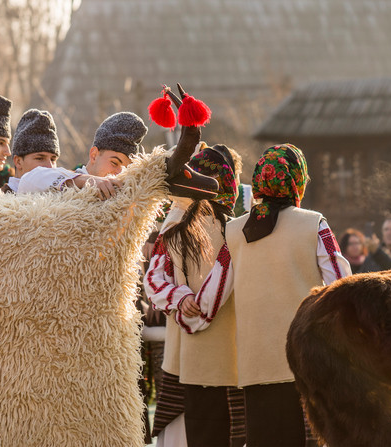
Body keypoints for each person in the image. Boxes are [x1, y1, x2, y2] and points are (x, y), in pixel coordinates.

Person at [164, 144, 350, 447]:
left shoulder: (236, 232)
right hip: (308, 362)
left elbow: (215, 291)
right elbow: (341, 287)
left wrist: (192, 319)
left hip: (254, 366)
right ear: (297, 179)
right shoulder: (313, 223)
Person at [145, 143, 245, 447]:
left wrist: (180, 298)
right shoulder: (230, 228)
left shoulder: (228, 227)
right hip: (209, 348)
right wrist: (184, 299)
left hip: (198, 345)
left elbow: (154, 279)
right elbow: (155, 276)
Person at [17, 112, 147, 198]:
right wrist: (86, 181)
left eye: (126, 168)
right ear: (94, 155)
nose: (118, 173)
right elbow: (28, 181)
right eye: (114, 163)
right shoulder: (66, 184)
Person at [3, 109, 60, 194]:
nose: (50, 167)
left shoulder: (62, 199)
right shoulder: (0, 205)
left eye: (53, 159)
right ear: (18, 162)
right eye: (40, 158)